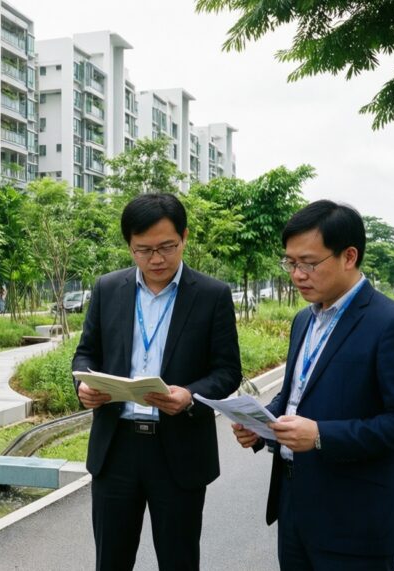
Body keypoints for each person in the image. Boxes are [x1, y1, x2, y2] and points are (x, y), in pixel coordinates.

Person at [232, 200, 394, 570]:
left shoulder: (393, 324)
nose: (297, 274)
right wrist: (261, 427)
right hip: (295, 511)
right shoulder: (303, 321)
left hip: (356, 522)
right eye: (290, 263)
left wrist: (322, 435)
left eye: (309, 263)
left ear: (349, 256)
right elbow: (295, 395)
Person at [73, 193, 242, 570]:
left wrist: (190, 395)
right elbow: (85, 354)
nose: (156, 259)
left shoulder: (212, 295)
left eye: (167, 247)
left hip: (178, 450)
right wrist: (83, 387)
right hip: (116, 448)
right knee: (111, 561)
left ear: (184, 237)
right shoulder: (107, 288)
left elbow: (228, 370)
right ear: (130, 246)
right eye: (143, 250)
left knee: (178, 560)